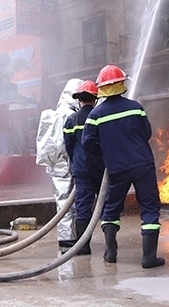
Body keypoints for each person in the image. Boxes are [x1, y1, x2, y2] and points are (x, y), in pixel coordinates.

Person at [82, 64, 165, 269]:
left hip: (117, 167)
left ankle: (110, 253)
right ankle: (149, 257)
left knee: (111, 208)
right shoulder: (136, 107)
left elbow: (87, 143)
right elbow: (146, 133)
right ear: (121, 84)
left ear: (101, 88)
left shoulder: (95, 115)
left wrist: (105, 155)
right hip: (142, 164)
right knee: (150, 207)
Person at [36, 78, 82, 252]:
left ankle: (70, 236)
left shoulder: (60, 112)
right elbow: (61, 143)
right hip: (64, 165)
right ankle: (67, 240)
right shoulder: (66, 114)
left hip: (60, 166)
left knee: (66, 203)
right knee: (65, 204)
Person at [63, 80, 103, 256]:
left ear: (79, 100)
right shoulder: (100, 116)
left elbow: (69, 145)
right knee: (106, 206)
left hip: (82, 170)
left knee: (83, 206)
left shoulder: (72, 120)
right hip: (102, 169)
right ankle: (111, 246)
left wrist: (76, 161)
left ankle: (83, 247)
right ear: (95, 99)